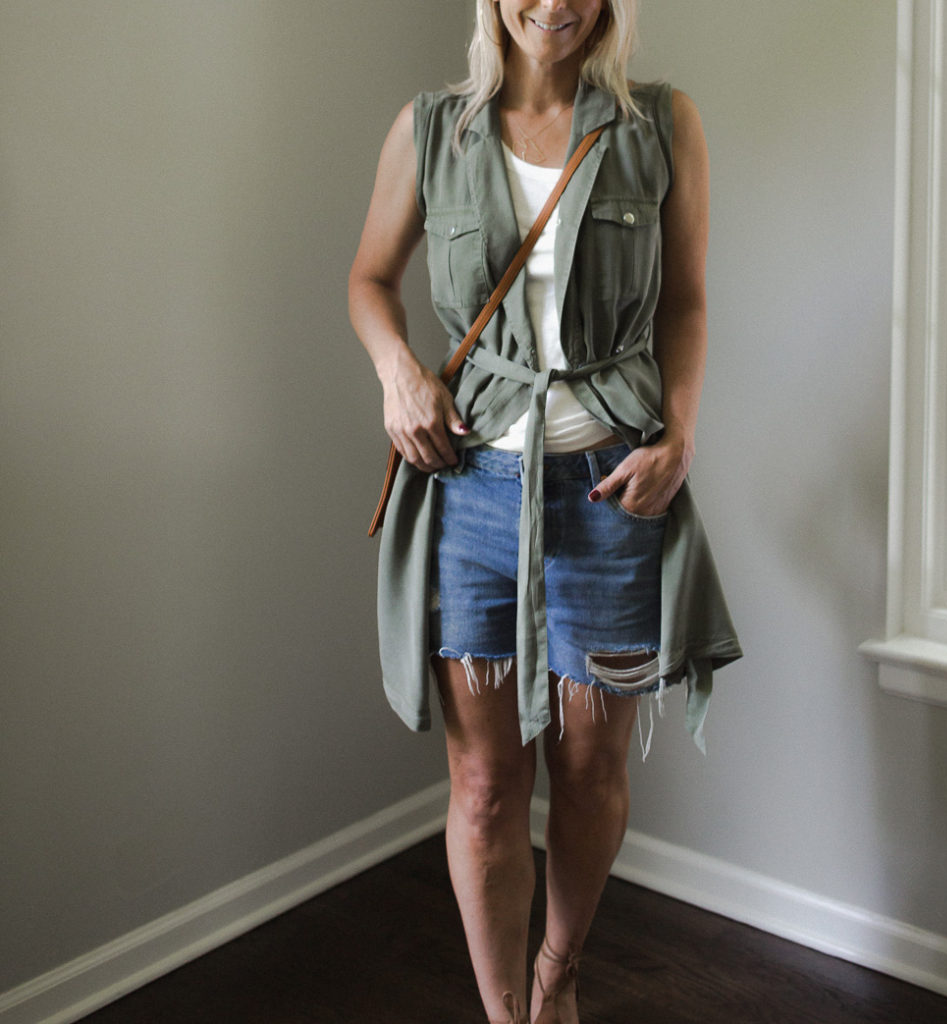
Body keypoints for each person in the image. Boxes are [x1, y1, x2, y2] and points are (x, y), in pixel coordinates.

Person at [349, 2, 740, 1020]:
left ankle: (557, 972)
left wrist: (679, 435)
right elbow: (368, 280)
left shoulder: (660, 125)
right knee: (482, 787)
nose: (555, 1)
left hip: (612, 492)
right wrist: (398, 373)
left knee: (588, 766)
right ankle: (503, 1012)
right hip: (471, 493)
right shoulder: (431, 129)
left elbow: (685, 301)